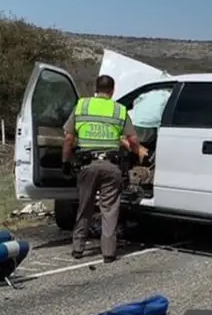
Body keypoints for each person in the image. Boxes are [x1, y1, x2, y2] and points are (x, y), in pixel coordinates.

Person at [61, 75, 147, 262]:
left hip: (88, 165)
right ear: (112, 91)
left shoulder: (82, 106)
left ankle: (78, 248)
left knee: (85, 207)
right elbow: (132, 139)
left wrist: (66, 161)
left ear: (96, 88)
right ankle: (108, 252)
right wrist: (134, 155)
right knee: (109, 209)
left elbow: (68, 138)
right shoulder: (119, 110)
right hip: (111, 166)